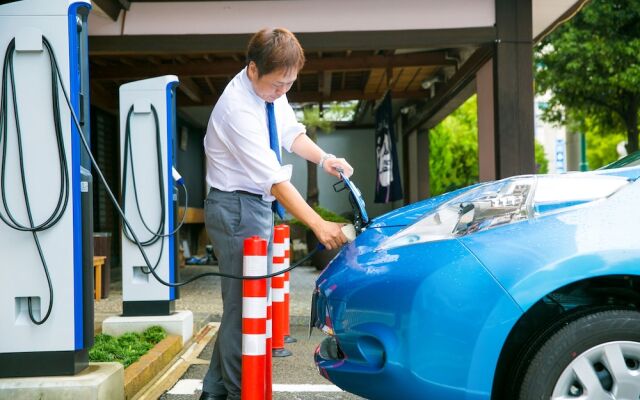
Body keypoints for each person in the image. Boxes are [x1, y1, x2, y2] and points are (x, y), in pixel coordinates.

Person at [200, 27, 354, 400]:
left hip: (253, 206)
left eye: (289, 84)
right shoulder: (238, 108)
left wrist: (326, 159)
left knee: (245, 307)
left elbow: (290, 133)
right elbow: (275, 179)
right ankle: (241, 393)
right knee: (244, 312)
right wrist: (317, 224)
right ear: (252, 69)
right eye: (277, 84)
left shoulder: (269, 93)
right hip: (235, 208)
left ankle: (214, 391)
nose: (282, 91)